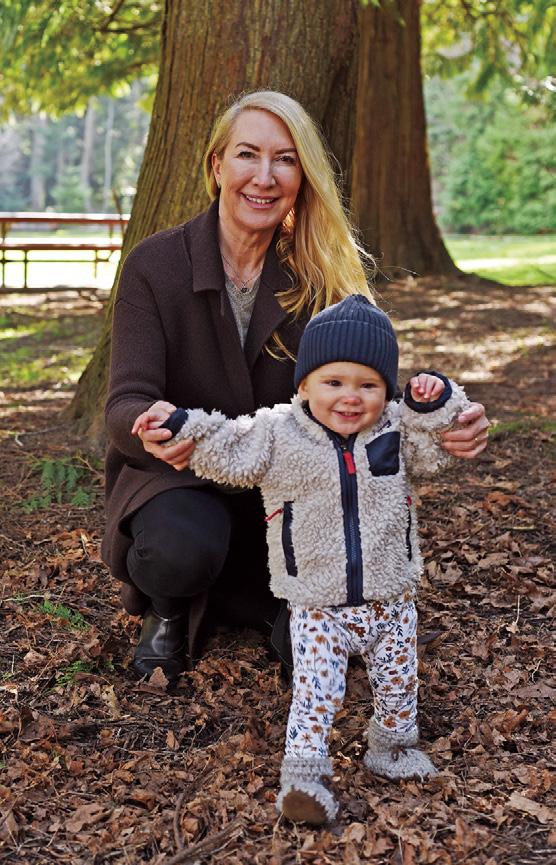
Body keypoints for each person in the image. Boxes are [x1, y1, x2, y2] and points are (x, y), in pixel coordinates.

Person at [103, 89, 489, 684]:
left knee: (314, 644)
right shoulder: (155, 265)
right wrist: (150, 428)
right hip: (183, 480)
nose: (264, 177)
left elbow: (365, 395)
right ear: (217, 166)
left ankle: (256, 600)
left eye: (284, 159)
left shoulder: (318, 274)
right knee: (180, 548)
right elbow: (124, 400)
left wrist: (439, 419)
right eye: (247, 155)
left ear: (302, 176)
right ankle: (168, 612)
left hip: (291, 488)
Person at [133, 295, 470, 825]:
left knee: (399, 685)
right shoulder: (278, 433)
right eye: (333, 382)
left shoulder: (393, 430)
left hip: (391, 598)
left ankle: (392, 748)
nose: (351, 397)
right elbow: (227, 445)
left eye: (368, 385)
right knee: (315, 694)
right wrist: (180, 426)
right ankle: (304, 779)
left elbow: (436, 448)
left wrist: (436, 401)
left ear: (387, 391)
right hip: (316, 604)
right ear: (305, 385)